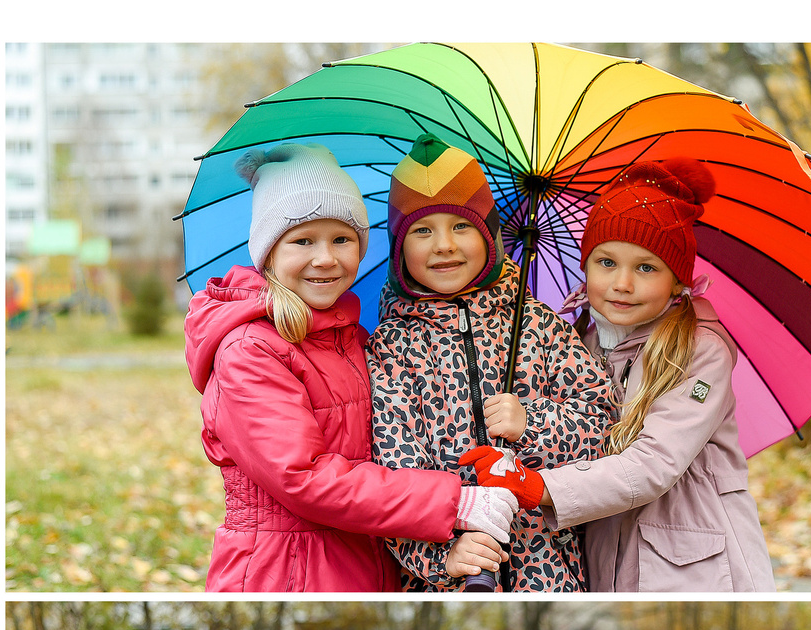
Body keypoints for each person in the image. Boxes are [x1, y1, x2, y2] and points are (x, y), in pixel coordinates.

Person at [181, 143, 523, 589]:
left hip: (367, 561)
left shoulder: (352, 338)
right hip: (289, 570)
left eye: (341, 239)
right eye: (303, 240)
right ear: (268, 252)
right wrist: (454, 502)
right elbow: (301, 476)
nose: (326, 258)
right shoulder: (250, 350)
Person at [495, 161, 775, 591]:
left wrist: (539, 487)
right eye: (606, 262)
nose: (622, 283)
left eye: (646, 268)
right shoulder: (574, 342)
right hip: (606, 554)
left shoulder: (699, 351)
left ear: (677, 281)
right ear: (586, 266)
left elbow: (653, 464)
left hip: (693, 564)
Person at [364, 134, 617, 591]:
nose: (444, 245)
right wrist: (442, 555)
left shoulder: (538, 324)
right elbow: (393, 474)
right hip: (451, 574)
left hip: (547, 566)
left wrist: (531, 425)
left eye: (461, 226)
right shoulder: (391, 349)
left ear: (490, 235)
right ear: (399, 249)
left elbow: (604, 425)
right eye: (422, 231)